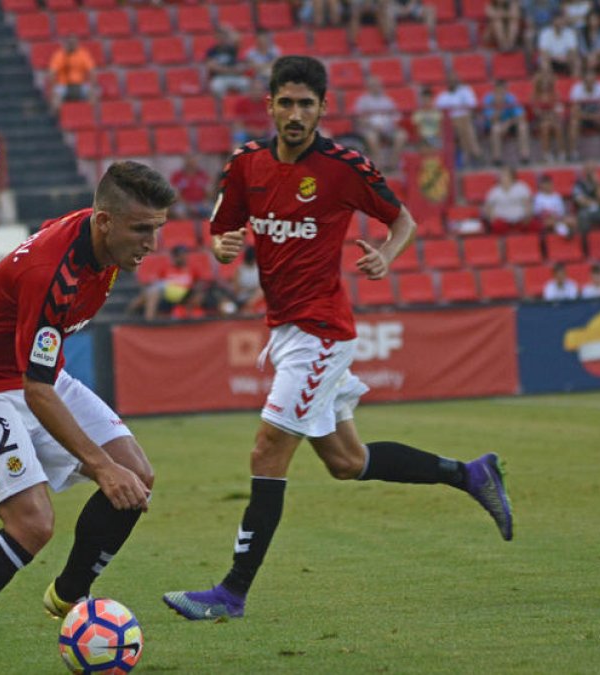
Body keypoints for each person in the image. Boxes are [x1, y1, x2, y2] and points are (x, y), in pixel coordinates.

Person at [162, 56, 512, 622]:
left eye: (306, 104)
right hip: (286, 330)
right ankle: (471, 474)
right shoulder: (245, 164)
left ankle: (231, 593)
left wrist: (387, 256)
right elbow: (222, 229)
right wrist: (221, 247)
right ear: (270, 105)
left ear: (323, 108)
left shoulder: (344, 167)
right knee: (347, 461)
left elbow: (403, 220)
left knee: (267, 449)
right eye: (286, 102)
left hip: (321, 333)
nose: (295, 114)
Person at [0, 162, 172, 673]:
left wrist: (112, 467)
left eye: (157, 228)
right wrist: (100, 467)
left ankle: (69, 595)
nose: (151, 244)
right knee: (32, 524)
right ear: (104, 221)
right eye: (141, 230)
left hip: (39, 375)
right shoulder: (52, 274)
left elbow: (42, 379)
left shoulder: (103, 246)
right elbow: (36, 390)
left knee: (138, 475)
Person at [354, 77, 408, 172]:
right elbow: (359, 119)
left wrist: (391, 124)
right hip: (370, 128)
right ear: (369, 87)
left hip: (388, 128)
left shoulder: (387, 100)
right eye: (373, 85)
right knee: (371, 137)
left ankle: (393, 164)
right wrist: (372, 125)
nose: (376, 87)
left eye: (378, 85)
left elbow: (395, 116)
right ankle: (379, 165)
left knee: (402, 135)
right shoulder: (363, 100)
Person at [434, 74, 483, 166]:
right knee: (463, 126)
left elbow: (472, 105)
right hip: (449, 123)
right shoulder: (443, 96)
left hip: (467, 119)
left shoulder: (465, 91)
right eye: (450, 81)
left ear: (458, 81)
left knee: (464, 123)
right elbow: (438, 112)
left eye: (454, 80)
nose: (452, 83)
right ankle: (475, 153)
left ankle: (468, 156)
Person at [567, 70, 600, 159]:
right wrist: (591, 117)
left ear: (595, 80)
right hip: (583, 119)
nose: (590, 83)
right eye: (587, 81)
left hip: (598, 118)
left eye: (592, 81)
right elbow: (574, 112)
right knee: (573, 123)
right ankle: (574, 153)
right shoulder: (577, 89)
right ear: (583, 81)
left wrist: (599, 117)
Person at [482, 80, 530, 165]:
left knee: (523, 127)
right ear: (494, 90)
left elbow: (521, 115)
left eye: (504, 90)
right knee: (496, 129)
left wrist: (508, 123)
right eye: (499, 90)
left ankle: (524, 156)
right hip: (494, 124)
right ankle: (497, 158)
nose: (501, 92)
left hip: (509, 123)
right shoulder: (488, 99)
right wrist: (500, 108)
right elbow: (491, 119)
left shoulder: (510, 98)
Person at [530, 64, 566, 162]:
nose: (545, 81)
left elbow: (559, 109)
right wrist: (547, 116)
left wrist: (552, 116)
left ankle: (561, 153)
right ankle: (546, 154)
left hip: (554, 118)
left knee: (557, 126)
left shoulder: (555, 94)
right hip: (540, 121)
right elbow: (536, 112)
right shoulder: (534, 95)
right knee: (545, 126)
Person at [48, 36, 96, 108]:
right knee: (55, 97)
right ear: (66, 43)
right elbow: (52, 72)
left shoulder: (83, 54)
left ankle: (90, 114)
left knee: (93, 94)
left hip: (80, 84)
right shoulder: (59, 55)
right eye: (70, 43)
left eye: (74, 43)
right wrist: (53, 88)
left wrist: (92, 86)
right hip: (63, 85)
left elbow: (92, 71)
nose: (72, 45)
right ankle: (56, 114)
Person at [484, 167, 534, 234]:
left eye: (505, 175)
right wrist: (492, 219)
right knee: (496, 226)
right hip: (502, 220)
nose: (502, 177)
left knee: (533, 225)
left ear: (512, 176)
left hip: (520, 220)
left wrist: (527, 217)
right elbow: (488, 207)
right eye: (501, 175)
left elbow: (528, 204)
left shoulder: (521, 187)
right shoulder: (494, 190)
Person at [205, 27, 251, 97]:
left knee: (246, 83)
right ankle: (222, 104)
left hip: (234, 76)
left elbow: (238, 38)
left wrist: (227, 30)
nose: (221, 38)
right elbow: (212, 67)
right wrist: (231, 70)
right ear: (216, 37)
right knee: (216, 86)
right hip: (220, 77)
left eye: (223, 36)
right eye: (219, 36)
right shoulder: (212, 51)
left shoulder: (232, 48)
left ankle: (242, 102)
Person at [573, 161, 600, 231]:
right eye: (588, 169)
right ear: (585, 171)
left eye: (593, 169)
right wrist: (596, 203)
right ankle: (585, 238)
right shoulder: (579, 185)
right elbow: (581, 202)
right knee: (583, 216)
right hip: (586, 211)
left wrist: (597, 184)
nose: (591, 172)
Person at [231, 77, 272, 146]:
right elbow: (237, 124)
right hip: (247, 132)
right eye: (255, 90)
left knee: (276, 134)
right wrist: (253, 131)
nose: (258, 92)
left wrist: (263, 130)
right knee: (239, 135)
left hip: (265, 132)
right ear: (250, 90)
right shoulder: (241, 103)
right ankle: (237, 153)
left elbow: (273, 121)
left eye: (260, 90)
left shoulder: (268, 102)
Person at [169, 155, 212, 220]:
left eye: (193, 162)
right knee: (178, 211)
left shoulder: (203, 175)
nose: (191, 164)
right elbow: (176, 194)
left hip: (201, 203)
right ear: (185, 162)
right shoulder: (177, 175)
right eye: (189, 161)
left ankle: (205, 226)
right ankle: (187, 226)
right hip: (184, 203)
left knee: (213, 210)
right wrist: (188, 205)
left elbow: (208, 192)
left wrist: (204, 202)